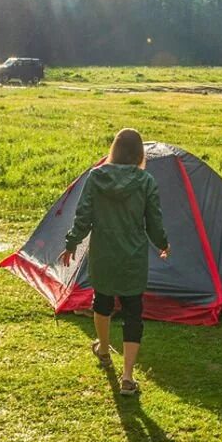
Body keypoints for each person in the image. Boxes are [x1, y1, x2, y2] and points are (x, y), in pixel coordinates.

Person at [59, 128, 168, 395]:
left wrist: (71, 243)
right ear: (140, 153)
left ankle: (104, 349)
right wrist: (162, 243)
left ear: (114, 150)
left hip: (104, 252)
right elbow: (154, 221)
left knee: (103, 301)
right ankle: (128, 377)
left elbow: (83, 215)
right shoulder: (146, 181)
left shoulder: (96, 177)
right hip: (133, 256)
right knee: (133, 312)